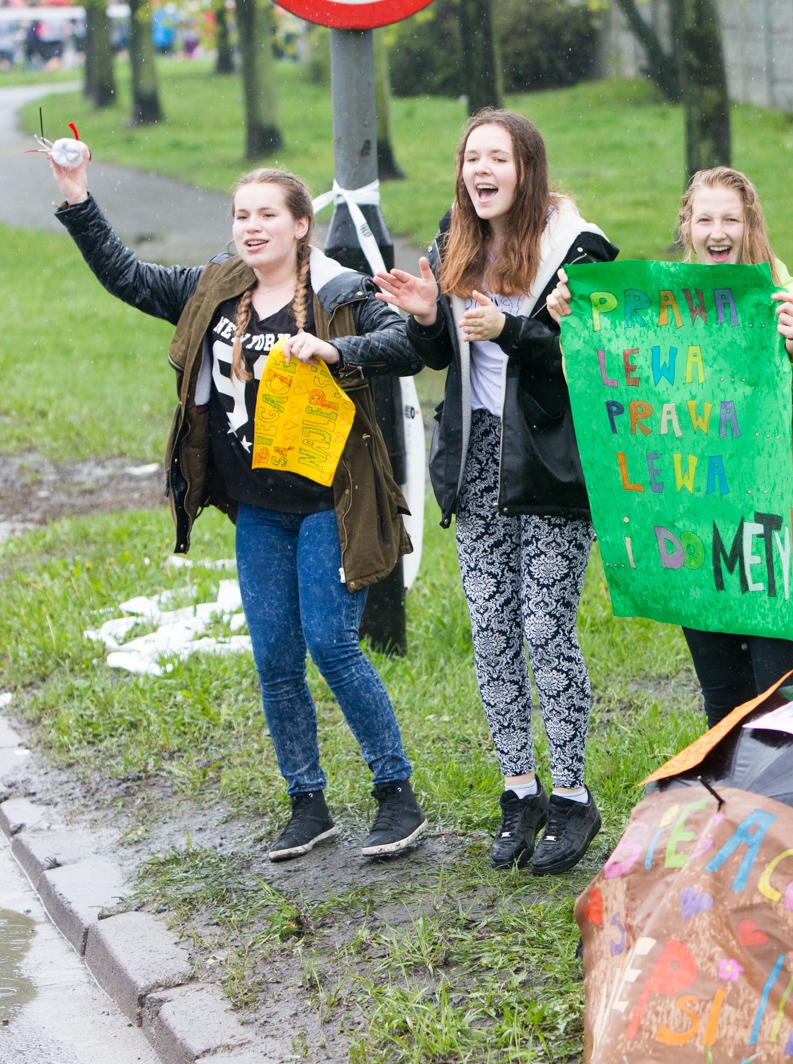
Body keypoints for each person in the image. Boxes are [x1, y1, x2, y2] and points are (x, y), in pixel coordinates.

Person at [48, 158, 429, 861]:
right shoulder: (216, 291)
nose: (251, 227)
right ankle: (306, 802)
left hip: (331, 506)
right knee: (275, 657)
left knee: (331, 643)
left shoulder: (340, 292)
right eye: (241, 215)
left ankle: (396, 794)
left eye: (267, 215)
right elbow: (130, 277)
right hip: (259, 509)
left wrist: (334, 346)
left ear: (301, 224)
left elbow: (407, 344)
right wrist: (78, 197)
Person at [374, 110, 617, 875]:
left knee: (545, 627)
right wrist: (423, 320)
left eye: (497, 158)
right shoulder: (454, 241)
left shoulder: (578, 247)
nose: (481, 171)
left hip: (552, 462)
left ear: (526, 168)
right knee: (491, 628)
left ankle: (574, 795)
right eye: (471, 158)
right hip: (477, 457)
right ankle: (521, 791)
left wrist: (510, 332)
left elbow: (598, 353)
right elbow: (443, 351)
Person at [549, 167, 793, 726]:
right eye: (705, 219)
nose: (718, 232)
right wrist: (577, 330)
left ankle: (782, 813)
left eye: (731, 219)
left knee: (783, 709)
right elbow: (609, 396)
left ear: (752, 225)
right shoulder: (658, 313)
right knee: (723, 706)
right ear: (687, 227)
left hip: (777, 540)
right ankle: (736, 816)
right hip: (698, 537)